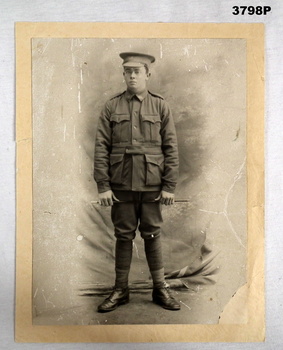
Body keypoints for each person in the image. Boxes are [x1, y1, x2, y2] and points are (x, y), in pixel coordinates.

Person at [94, 51, 180, 312]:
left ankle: (160, 289)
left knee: (152, 235)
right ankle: (121, 290)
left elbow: (171, 148)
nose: (132, 76)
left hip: (153, 186)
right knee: (123, 236)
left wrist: (169, 186)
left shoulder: (160, 105)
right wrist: (103, 186)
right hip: (120, 186)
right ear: (123, 74)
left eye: (137, 71)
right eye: (127, 71)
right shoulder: (111, 106)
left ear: (147, 74)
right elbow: (101, 148)